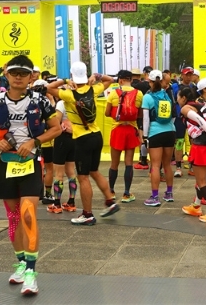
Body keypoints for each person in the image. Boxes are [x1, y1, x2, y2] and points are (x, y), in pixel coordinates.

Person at [0, 56, 61, 296]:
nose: (19, 77)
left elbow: (56, 128)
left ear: (31, 76)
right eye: (14, 73)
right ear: (7, 74)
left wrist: (34, 141)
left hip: (31, 163)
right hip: (6, 164)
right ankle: (21, 263)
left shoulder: (40, 100)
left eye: (23, 73)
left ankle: (31, 272)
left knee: (28, 214)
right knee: (13, 218)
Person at [47, 62, 118, 225]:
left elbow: (49, 88)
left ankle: (87, 214)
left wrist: (65, 81)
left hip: (82, 138)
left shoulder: (69, 94)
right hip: (96, 135)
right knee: (94, 171)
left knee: (83, 177)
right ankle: (110, 200)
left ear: (72, 75)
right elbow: (110, 79)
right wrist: (96, 77)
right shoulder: (94, 89)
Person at [178, 85, 206, 223]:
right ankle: (196, 206)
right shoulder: (202, 105)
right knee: (200, 181)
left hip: (202, 146)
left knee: (202, 182)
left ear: (183, 98)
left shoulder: (186, 108)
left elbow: (200, 121)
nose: (177, 99)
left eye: (178, 97)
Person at [105, 70, 143, 203]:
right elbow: (139, 114)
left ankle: (111, 191)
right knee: (129, 163)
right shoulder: (139, 94)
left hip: (117, 130)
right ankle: (126, 193)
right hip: (131, 130)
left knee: (114, 163)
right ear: (131, 80)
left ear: (120, 80)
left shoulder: (113, 93)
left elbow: (107, 113)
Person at [142, 69, 176, 206]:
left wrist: (145, 136)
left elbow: (146, 119)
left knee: (155, 165)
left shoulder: (147, 97)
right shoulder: (167, 95)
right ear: (162, 81)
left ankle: (155, 197)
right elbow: (173, 115)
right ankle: (169, 193)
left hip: (155, 132)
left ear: (149, 81)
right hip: (170, 131)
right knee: (167, 164)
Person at [44, 84, 78, 214]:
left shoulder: (62, 104)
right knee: (71, 172)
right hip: (75, 137)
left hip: (62, 139)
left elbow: (56, 122)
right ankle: (71, 202)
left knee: (58, 174)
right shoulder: (78, 103)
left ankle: (57, 204)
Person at [167, 67, 197, 175]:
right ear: (182, 75)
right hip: (179, 118)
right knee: (179, 142)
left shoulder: (194, 87)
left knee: (194, 142)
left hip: (191, 118)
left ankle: (192, 166)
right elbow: (171, 100)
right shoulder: (175, 86)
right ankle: (178, 167)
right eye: (187, 75)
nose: (189, 77)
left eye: (191, 75)